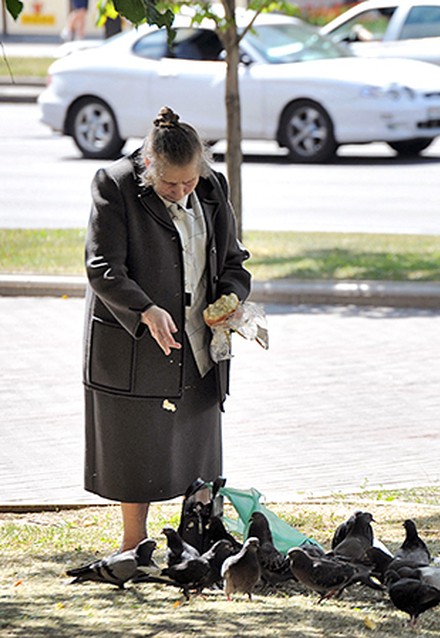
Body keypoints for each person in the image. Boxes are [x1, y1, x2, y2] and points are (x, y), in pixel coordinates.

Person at [83, 106, 251, 551]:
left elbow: (234, 260)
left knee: (197, 436)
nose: (180, 192)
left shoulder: (212, 187)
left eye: (188, 182)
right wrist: (145, 309)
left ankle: (195, 538)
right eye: (169, 184)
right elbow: (102, 267)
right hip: (134, 337)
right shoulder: (115, 184)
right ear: (148, 165)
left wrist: (231, 296)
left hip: (199, 333)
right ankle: (133, 542)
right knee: (135, 439)